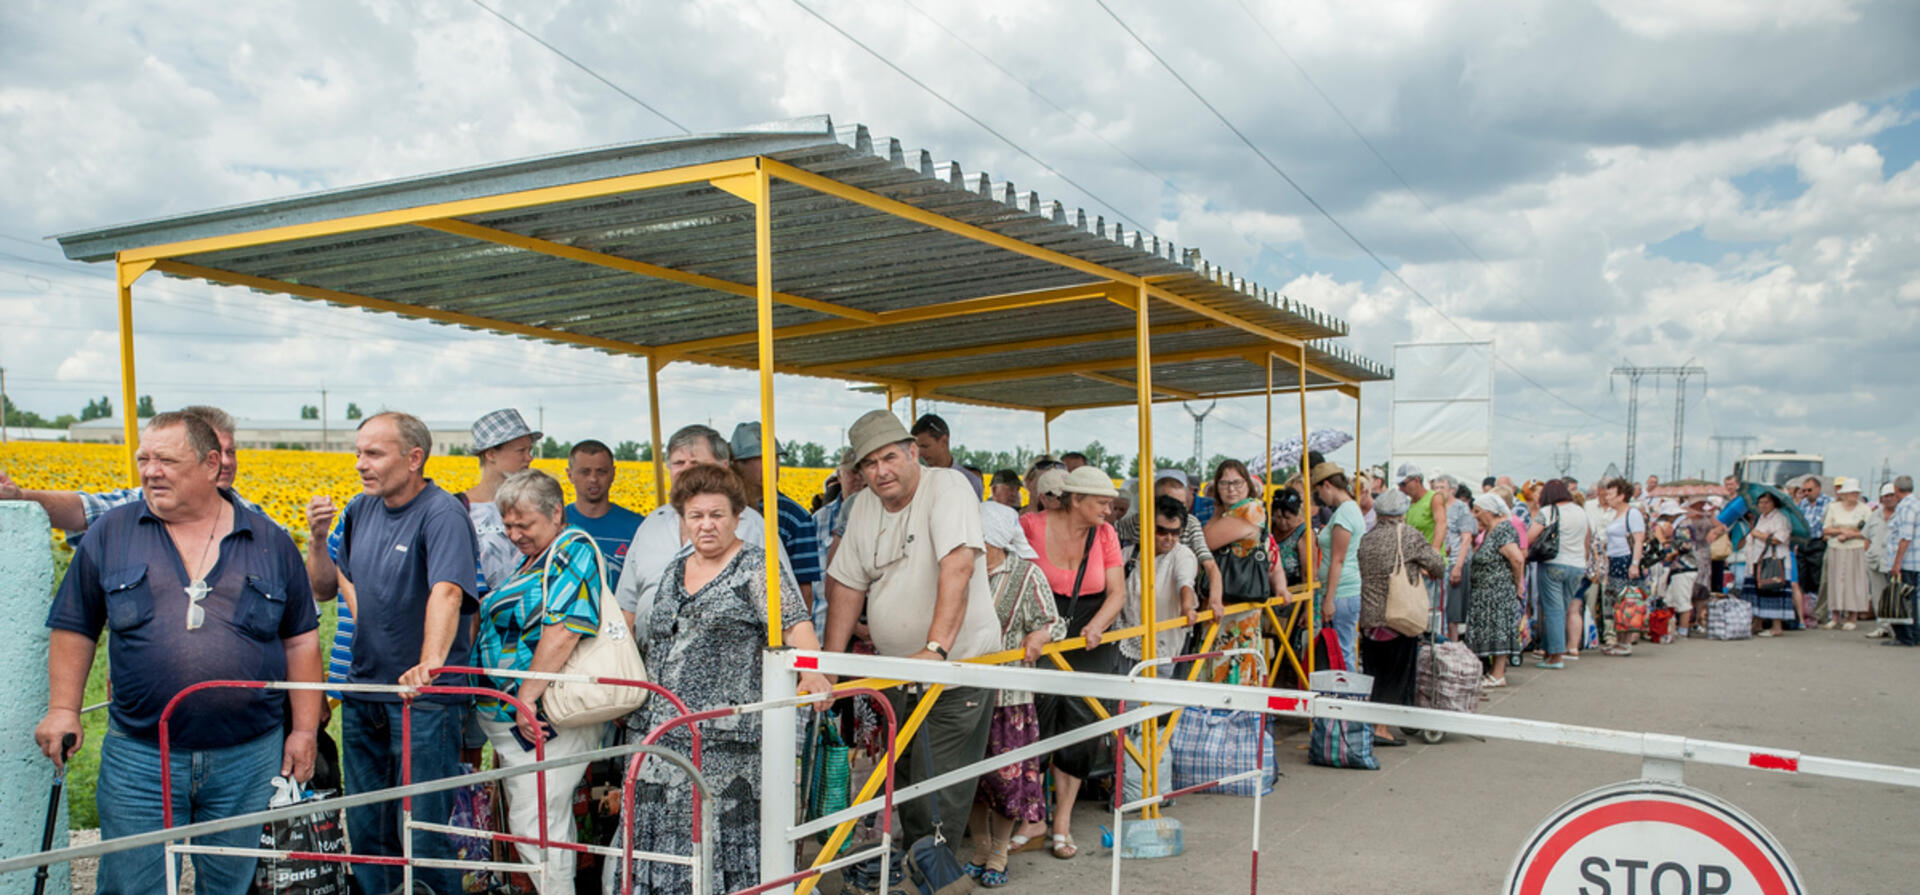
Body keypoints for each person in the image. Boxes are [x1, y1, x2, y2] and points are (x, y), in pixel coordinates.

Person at [36, 412, 321, 895]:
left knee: (229, 883)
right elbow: (74, 626)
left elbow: (301, 640)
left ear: (212, 465)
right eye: (144, 459)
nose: (150, 471)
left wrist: (304, 730)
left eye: (166, 460)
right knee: (131, 883)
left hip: (248, 757)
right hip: (141, 755)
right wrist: (63, 709)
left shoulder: (270, 540)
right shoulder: (113, 533)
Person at [622, 464, 829, 894]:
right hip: (662, 735)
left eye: (717, 515)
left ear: (738, 517)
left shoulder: (757, 567)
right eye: (695, 516)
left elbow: (796, 626)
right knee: (660, 847)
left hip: (724, 746)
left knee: (714, 849)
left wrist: (813, 674)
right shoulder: (676, 567)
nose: (706, 525)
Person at [306, 411, 480, 895]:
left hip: (423, 702)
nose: (361, 463)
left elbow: (448, 593)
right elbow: (325, 587)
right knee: (367, 828)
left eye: (374, 453)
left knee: (424, 831)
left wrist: (428, 666)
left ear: (414, 458)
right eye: (358, 452)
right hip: (365, 693)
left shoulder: (442, 514)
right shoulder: (360, 510)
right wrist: (318, 540)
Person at [823, 410, 1003, 865]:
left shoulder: (948, 488)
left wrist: (935, 650)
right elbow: (845, 584)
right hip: (898, 672)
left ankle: (934, 875)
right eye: (869, 464)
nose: (881, 471)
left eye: (889, 457)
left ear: (912, 452)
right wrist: (828, 664)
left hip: (956, 669)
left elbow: (958, 566)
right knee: (904, 779)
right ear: (859, 472)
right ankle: (917, 866)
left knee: (937, 785)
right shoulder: (863, 506)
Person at [474, 470, 612, 893]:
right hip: (520, 718)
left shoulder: (571, 550)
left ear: (556, 513)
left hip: (540, 716)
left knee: (537, 825)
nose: (515, 534)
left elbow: (565, 628)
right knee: (543, 824)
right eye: (508, 525)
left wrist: (524, 699)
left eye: (524, 524)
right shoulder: (536, 556)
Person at [1014, 464, 1125, 859]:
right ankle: (1033, 814)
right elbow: (1016, 579)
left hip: (1088, 637)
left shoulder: (1106, 534)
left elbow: (1117, 593)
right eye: (1101, 502)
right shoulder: (1029, 525)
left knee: (1081, 724)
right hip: (1040, 633)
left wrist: (1097, 626)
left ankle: (1061, 820)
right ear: (1075, 499)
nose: (1108, 511)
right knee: (1035, 716)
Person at [611, 424, 795, 638]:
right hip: (650, 663)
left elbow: (788, 612)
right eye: (679, 463)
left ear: (723, 467)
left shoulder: (752, 526)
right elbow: (627, 606)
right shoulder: (652, 524)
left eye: (696, 463)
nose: (686, 471)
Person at [967, 501, 1066, 885]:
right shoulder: (963, 569)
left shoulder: (1025, 574)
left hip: (1009, 696)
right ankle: (978, 847)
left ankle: (999, 852)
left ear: (990, 537)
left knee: (1006, 779)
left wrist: (1040, 635)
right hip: (967, 692)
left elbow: (1053, 622)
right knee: (971, 779)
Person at [0, 405, 271, 538]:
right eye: (216, 452)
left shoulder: (258, 520)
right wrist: (20, 498)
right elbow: (82, 510)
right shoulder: (137, 507)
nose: (225, 462)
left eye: (230, 452)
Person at [1354, 488, 1445, 745]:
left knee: (1374, 671)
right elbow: (1437, 565)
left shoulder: (1367, 538)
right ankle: (1380, 728)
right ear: (1402, 513)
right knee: (1395, 673)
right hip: (1398, 617)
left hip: (1370, 618)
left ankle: (1373, 723)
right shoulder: (1408, 536)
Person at [1203, 459, 1288, 682]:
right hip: (1229, 602)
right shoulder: (1230, 512)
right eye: (1224, 484)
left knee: (1232, 663)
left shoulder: (1250, 509)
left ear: (1247, 485)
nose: (1231, 489)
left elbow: (1205, 541)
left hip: (1237, 606)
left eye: (1237, 483)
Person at [731, 421, 824, 609]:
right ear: (736, 465)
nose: (772, 465)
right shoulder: (719, 512)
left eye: (776, 458)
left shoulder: (796, 518)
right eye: (760, 458)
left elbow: (804, 592)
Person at [1113, 469, 1225, 620]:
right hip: (1137, 605)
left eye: (1182, 505)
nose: (1176, 511)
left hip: (1174, 605)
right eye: (1170, 503)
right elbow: (1111, 530)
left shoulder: (1190, 523)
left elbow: (1209, 565)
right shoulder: (1138, 521)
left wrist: (1215, 600)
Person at [465, 407, 540, 593]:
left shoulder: (536, 505)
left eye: (529, 450)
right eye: (521, 451)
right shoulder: (459, 508)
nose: (529, 458)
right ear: (490, 454)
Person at [1121, 496, 1201, 665]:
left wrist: (1187, 607)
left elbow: (1185, 582)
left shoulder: (1183, 555)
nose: (1169, 538)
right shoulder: (1128, 554)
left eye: (1175, 532)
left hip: (1162, 652)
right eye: (1162, 531)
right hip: (1123, 647)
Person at [564, 439, 646, 584]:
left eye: (601, 472)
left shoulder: (638, 527)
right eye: (585, 472)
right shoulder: (556, 524)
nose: (593, 479)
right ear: (570, 475)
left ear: (613, 474)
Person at [1310, 462, 1366, 670]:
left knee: (1341, 652)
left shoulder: (1344, 514)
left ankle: (1347, 697)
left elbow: (1338, 559)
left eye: (1318, 491)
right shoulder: (1350, 509)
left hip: (1342, 592)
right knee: (1342, 649)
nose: (1320, 497)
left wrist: (1329, 599)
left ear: (1327, 485)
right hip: (1345, 590)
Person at [1466, 492, 1526, 686]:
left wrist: (1519, 584)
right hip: (1487, 591)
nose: (1475, 515)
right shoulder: (1492, 530)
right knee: (1492, 630)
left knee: (1498, 629)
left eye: (1478, 511)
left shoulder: (1503, 530)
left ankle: (1498, 674)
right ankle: (1493, 672)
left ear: (1490, 512)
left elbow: (1516, 558)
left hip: (1497, 591)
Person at [1527, 479, 1587, 667]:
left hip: (1553, 563)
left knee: (1553, 611)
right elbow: (1587, 538)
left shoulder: (1548, 511)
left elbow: (1530, 536)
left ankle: (1556, 656)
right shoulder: (1580, 511)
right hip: (1577, 565)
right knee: (1562, 608)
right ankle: (1550, 650)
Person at [1596, 477, 1648, 656]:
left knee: (1627, 602)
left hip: (1626, 561)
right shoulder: (1615, 514)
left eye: (1611, 494)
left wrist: (1635, 564)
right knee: (1616, 602)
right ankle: (1619, 641)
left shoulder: (1632, 513)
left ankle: (1625, 643)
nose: (1607, 497)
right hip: (1615, 560)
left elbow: (1639, 539)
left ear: (1621, 496)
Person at [1740, 491, 1798, 638]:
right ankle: (1758, 622)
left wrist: (1758, 534)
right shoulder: (1761, 518)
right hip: (1757, 559)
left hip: (1774, 559)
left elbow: (1779, 538)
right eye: (1761, 502)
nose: (1763, 505)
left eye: (1767, 502)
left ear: (1774, 503)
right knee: (1758, 591)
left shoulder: (1780, 518)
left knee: (1774, 590)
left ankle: (1776, 626)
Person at [1818, 481, 1871, 629]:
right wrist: (1841, 532)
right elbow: (1826, 529)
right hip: (1836, 547)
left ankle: (1851, 617)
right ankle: (1835, 616)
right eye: (1851, 492)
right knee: (1835, 581)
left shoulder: (1865, 509)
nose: (1854, 495)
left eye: (1856, 493)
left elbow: (1868, 532)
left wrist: (1850, 534)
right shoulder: (1833, 508)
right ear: (1844, 494)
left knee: (1852, 582)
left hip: (1856, 548)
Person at [1433, 475, 1476, 639]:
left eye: (1441, 487)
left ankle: (1453, 649)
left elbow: (1466, 538)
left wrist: (1458, 567)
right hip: (1438, 562)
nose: (1438, 491)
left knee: (1453, 613)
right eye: (1435, 488)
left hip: (1454, 562)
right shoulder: (1435, 506)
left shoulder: (1460, 508)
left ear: (1452, 490)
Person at [911, 412, 985, 497]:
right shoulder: (917, 482)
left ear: (944, 441)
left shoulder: (970, 481)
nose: (920, 453)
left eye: (925, 446)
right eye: (918, 448)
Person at [1881, 476, 1917, 647]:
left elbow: (1905, 537)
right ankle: (1912, 635)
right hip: (1913, 561)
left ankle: (1907, 636)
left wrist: (1896, 563)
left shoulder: (1906, 507)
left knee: (1902, 600)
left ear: (1896, 489)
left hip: (1907, 562)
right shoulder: (1915, 504)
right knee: (1912, 600)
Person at [1863, 483, 1897, 639]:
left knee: (1896, 596)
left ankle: (1897, 628)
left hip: (1894, 561)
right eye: (1886, 496)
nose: (1889, 499)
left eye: (1891, 495)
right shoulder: (1875, 514)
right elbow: (1866, 537)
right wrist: (1868, 553)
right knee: (1878, 595)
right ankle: (1882, 626)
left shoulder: (1902, 514)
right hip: (1875, 559)